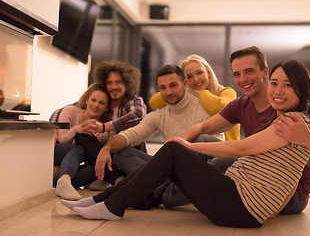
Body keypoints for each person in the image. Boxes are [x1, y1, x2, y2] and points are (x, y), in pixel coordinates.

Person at [62, 59, 310, 228]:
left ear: (302, 90)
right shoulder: (291, 118)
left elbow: (242, 148)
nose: (277, 91)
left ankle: (113, 203)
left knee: (175, 149)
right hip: (237, 198)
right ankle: (107, 199)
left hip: (239, 205)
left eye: (288, 85)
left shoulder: (293, 121)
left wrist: (190, 146)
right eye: (275, 83)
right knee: (163, 153)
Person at [181, 46, 310, 214]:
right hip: (253, 173)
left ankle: (163, 196)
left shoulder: (295, 111)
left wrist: (308, 138)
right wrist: (178, 143)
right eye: (237, 74)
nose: (243, 79)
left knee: (220, 163)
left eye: (249, 71)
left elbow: (243, 148)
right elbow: (203, 127)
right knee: (201, 139)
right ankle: (163, 185)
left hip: (289, 192)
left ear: (264, 71)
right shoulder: (242, 103)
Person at [93, 64, 224, 208]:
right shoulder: (160, 114)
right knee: (122, 152)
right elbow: (133, 133)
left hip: (196, 175)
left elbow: (217, 150)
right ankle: (159, 192)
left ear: (184, 84)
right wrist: (106, 148)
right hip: (169, 173)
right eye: (163, 88)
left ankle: (155, 192)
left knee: (200, 141)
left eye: (173, 85)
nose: (168, 92)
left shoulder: (203, 106)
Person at [73, 60, 147, 189]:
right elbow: (77, 107)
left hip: (128, 154)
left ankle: (112, 178)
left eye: (118, 82)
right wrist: (56, 121)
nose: (113, 87)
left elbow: (138, 115)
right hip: (107, 156)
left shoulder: (134, 100)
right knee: (81, 137)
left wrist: (105, 126)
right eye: (109, 83)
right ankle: (117, 179)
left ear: (127, 82)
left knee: (129, 138)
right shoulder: (103, 102)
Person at [149, 54, 240, 141]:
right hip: (199, 151)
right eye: (190, 77)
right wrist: (176, 89)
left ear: (208, 72)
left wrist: (203, 94)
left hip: (228, 151)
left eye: (199, 73)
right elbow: (154, 103)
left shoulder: (227, 92)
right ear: (184, 81)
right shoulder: (189, 97)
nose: (196, 79)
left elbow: (222, 110)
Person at [53, 83, 110, 200]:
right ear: (87, 100)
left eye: (101, 103)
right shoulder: (70, 111)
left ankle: (59, 182)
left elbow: (89, 156)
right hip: (56, 152)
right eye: (93, 100)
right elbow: (62, 140)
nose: (96, 105)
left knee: (95, 170)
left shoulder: (102, 131)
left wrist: (64, 165)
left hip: (69, 163)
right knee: (78, 148)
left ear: (106, 108)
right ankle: (64, 179)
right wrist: (75, 130)